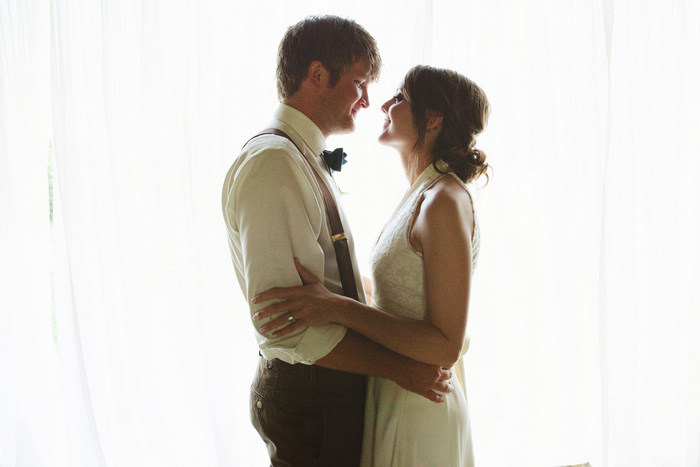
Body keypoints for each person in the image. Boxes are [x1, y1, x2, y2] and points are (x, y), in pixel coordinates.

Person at [221, 18, 455, 466]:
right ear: (317, 76)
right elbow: (289, 322)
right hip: (311, 396)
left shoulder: (300, 155)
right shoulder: (273, 164)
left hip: (330, 389)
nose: (368, 101)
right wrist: (401, 368)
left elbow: (323, 282)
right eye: (359, 83)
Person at [252, 65, 490, 466]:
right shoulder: (424, 192)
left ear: (433, 119)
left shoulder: (444, 201)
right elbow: (401, 298)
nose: (382, 103)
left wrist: (335, 306)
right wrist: (325, 287)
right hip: (394, 393)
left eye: (399, 98)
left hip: (421, 406)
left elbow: (446, 344)